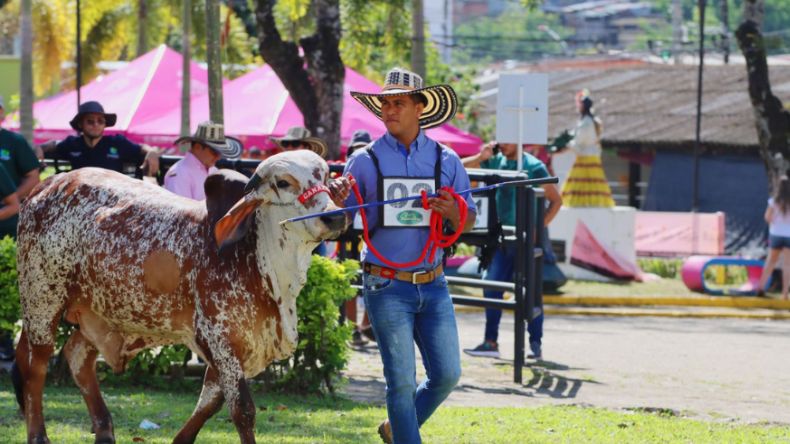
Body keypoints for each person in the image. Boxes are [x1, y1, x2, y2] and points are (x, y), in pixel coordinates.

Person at [338, 67, 477, 444]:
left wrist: (452, 213)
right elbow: (339, 219)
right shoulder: (363, 161)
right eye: (385, 103)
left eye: (398, 103)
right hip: (385, 284)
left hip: (433, 282)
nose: (389, 110)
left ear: (420, 107)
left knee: (447, 375)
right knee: (400, 382)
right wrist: (332, 200)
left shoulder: (447, 160)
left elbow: (469, 216)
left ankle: (395, 429)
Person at [461, 141, 562, 359]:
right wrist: (480, 156)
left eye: (507, 139)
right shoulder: (493, 160)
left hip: (525, 240)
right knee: (491, 286)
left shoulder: (534, 166)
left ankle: (535, 344)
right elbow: (458, 170)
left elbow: (556, 200)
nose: (502, 143)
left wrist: (538, 226)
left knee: (530, 292)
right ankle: (490, 342)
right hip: (499, 239)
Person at [36, 101, 160, 176]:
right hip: (82, 200)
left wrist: (152, 152)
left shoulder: (117, 142)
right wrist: (39, 149)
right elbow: (53, 144)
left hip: (112, 201)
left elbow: (141, 148)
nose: (96, 124)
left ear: (105, 124)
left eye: (100, 121)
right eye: (90, 121)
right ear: (80, 124)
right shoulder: (72, 144)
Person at [342, 129, 375, 346]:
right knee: (351, 284)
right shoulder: (345, 171)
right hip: (350, 238)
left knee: (371, 283)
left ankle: (367, 326)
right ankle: (353, 328)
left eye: (363, 147)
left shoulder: (376, 171)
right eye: (356, 148)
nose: (359, 152)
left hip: (371, 235)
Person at [559, 89, 615, 207]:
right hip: (591, 156)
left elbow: (580, 141)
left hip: (585, 156)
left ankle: (582, 204)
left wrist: (567, 144)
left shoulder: (586, 123)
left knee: (580, 182)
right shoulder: (593, 121)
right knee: (593, 183)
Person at [164, 121, 243, 200]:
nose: (218, 157)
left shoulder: (213, 170)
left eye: (219, 153)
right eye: (214, 152)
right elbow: (181, 210)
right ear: (198, 147)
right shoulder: (179, 173)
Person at [758, 176, 790, 299]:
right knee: (787, 265)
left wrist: (775, 223)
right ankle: (785, 293)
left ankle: (760, 288)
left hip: (776, 233)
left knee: (770, 261)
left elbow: (767, 217)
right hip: (789, 235)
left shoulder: (773, 201)